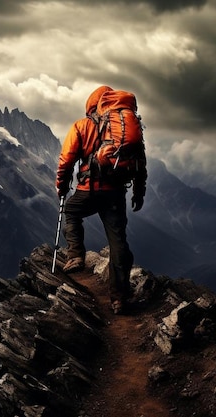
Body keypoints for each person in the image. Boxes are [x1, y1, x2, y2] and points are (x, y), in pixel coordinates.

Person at [55, 85, 147, 314]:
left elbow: (66, 160)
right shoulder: (125, 130)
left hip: (88, 190)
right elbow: (140, 163)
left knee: (72, 210)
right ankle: (119, 298)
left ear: (91, 105)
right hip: (115, 194)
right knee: (118, 243)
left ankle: (76, 254)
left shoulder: (82, 125)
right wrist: (138, 192)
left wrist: (62, 186)